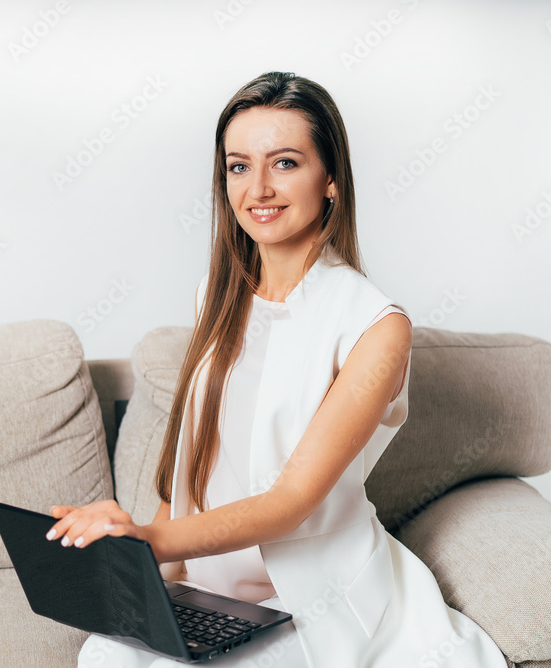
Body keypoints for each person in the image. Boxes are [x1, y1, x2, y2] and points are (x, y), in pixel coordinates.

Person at [48, 71, 509, 667]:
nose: (258, 188)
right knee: (105, 658)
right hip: (213, 592)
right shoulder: (214, 297)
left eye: (285, 163)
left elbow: (291, 501)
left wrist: (146, 539)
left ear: (333, 180)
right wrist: (137, 560)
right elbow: (195, 466)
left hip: (315, 598)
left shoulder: (375, 324)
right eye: (238, 166)